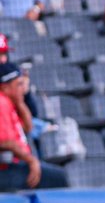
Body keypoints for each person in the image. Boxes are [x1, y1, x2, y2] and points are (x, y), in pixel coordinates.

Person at [0, 62, 67, 190]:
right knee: (59, 178)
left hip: (16, 163)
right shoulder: (1, 103)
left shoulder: (9, 101)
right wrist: (31, 160)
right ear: (5, 87)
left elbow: (28, 128)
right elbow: (4, 142)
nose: (23, 88)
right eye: (18, 84)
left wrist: (20, 102)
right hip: (6, 167)